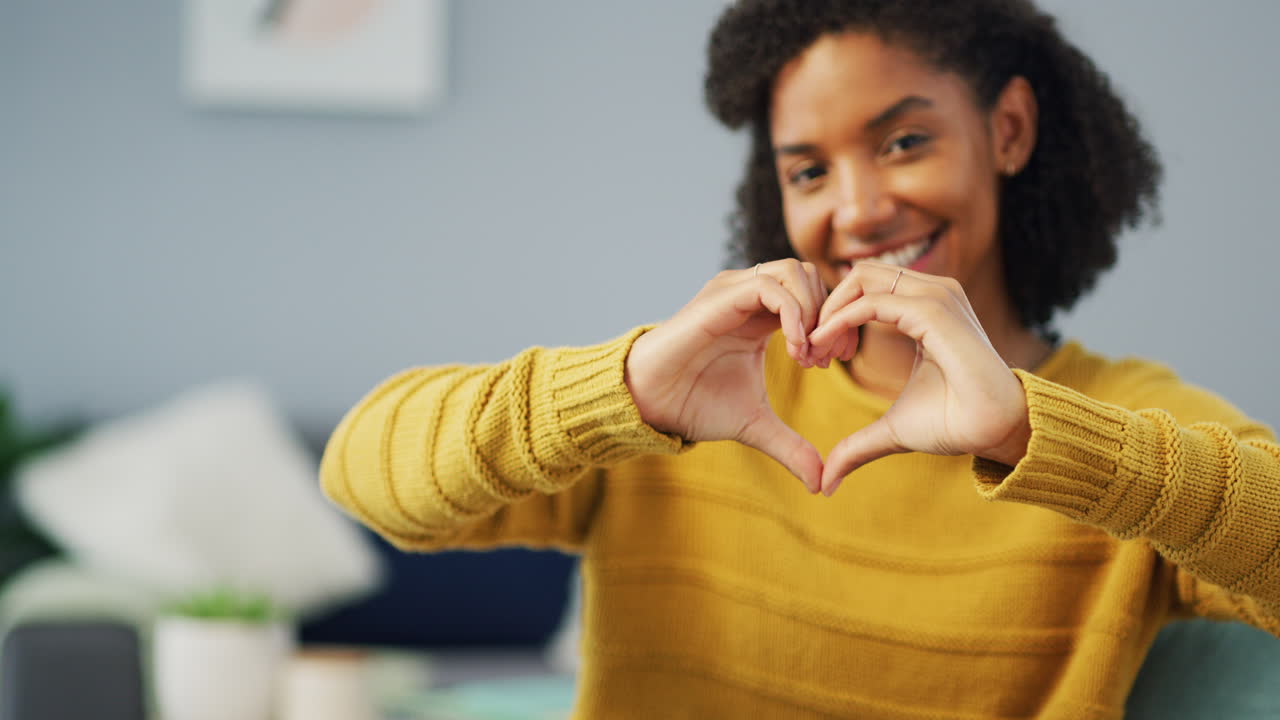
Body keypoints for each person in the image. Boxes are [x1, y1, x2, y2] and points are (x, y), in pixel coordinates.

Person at [320, 1, 1280, 717]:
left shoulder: (1116, 422)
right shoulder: (692, 399)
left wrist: (1035, 429)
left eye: (905, 141)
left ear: (1009, 129)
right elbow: (363, 479)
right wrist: (616, 391)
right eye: (809, 170)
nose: (857, 209)